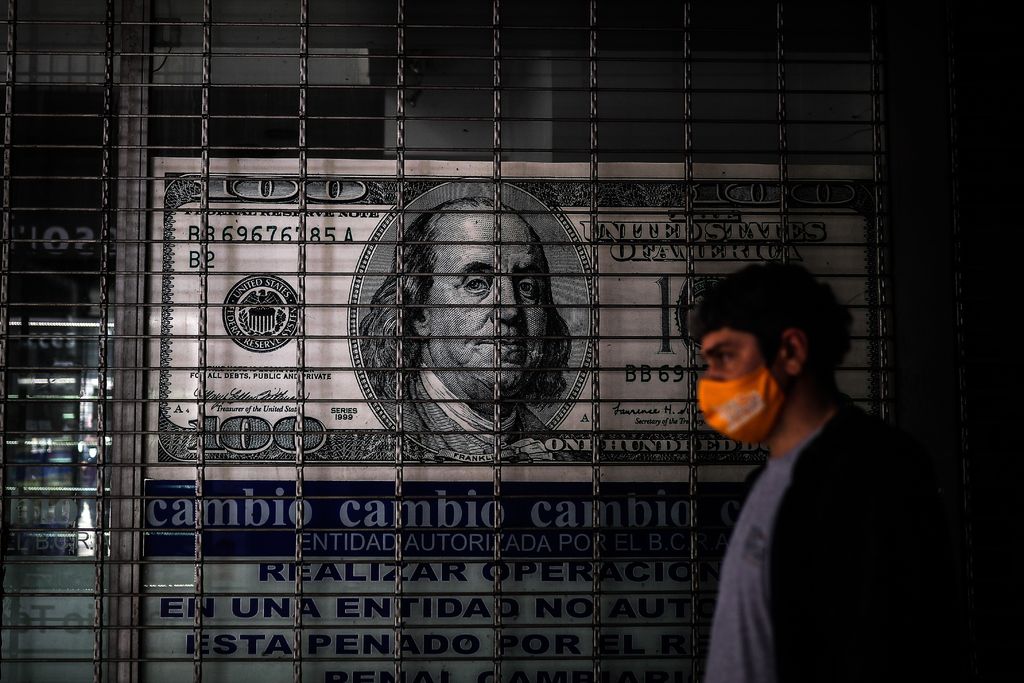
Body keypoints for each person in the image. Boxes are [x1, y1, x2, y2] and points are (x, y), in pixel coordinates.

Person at [695, 263, 956, 683]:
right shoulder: (765, 483)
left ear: (791, 351)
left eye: (725, 356)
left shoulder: (875, 471)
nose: (711, 381)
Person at [358, 196, 572, 462]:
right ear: (419, 313)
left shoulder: (561, 454)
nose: (510, 311)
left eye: (527, 286)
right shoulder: (377, 437)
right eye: (476, 283)